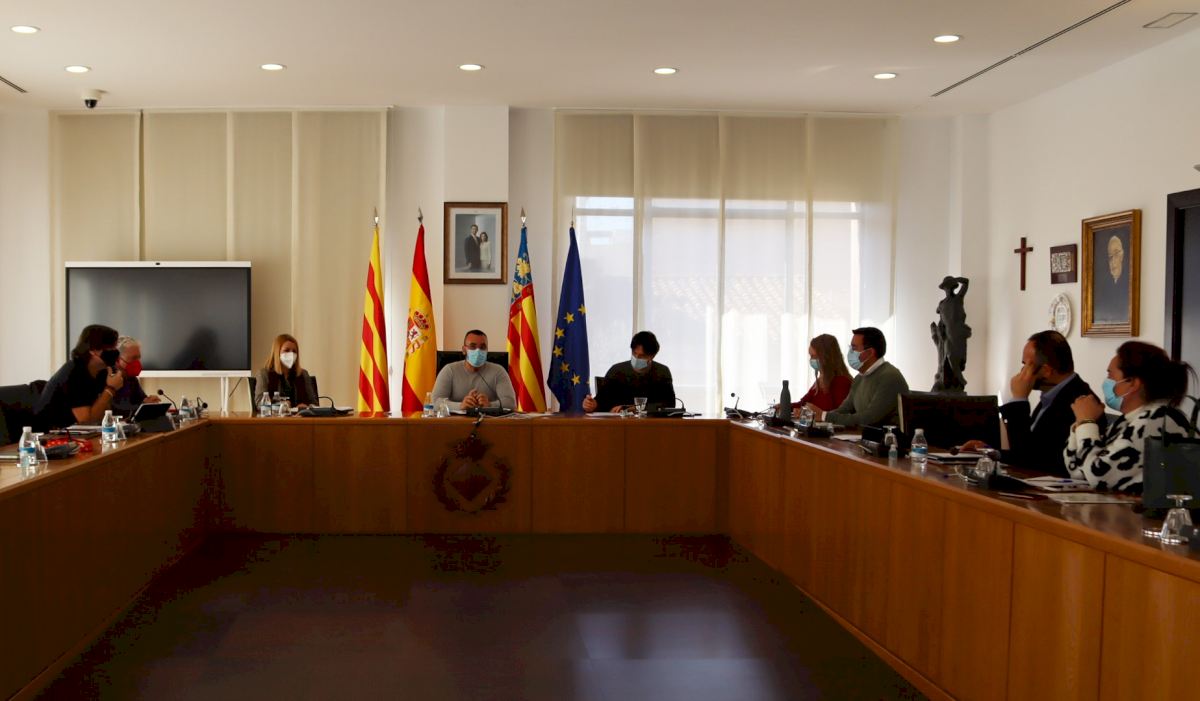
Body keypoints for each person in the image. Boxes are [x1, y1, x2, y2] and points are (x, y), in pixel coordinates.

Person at [962, 331, 1097, 476]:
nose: (1021, 371)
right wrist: (989, 451)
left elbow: (1030, 458)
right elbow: (1029, 447)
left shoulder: (1078, 401)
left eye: (1025, 364)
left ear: (1046, 371)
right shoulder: (1053, 395)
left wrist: (1019, 399)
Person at [1065, 341, 1193, 492]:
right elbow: (1078, 471)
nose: (1107, 381)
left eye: (1110, 375)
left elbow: (1098, 476)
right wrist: (1080, 423)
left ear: (1132, 383)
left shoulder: (1158, 419)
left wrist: (1087, 422)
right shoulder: (1128, 420)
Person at [806, 327, 908, 428]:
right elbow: (844, 410)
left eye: (854, 348)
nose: (850, 352)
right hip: (864, 436)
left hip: (888, 438)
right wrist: (819, 416)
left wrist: (824, 416)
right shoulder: (859, 378)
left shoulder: (889, 377)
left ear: (870, 352)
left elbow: (869, 418)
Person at [35, 324, 126, 428]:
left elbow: (103, 414)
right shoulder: (74, 373)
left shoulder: (102, 371)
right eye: (110, 348)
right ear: (92, 350)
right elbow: (85, 421)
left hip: (79, 431)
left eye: (114, 347)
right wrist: (110, 389)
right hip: (51, 432)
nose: (114, 352)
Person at [583, 331, 675, 413]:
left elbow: (669, 404)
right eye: (634, 353)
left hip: (650, 424)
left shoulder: (662, 372)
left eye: (642, 356)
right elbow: (601, 401)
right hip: (618, 423)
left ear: (652, 356)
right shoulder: (616, 371)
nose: (636, 358)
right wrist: (592, 405)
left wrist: (637, 408)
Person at [432, 329, 517, 411]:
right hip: (456, 420)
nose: (478, 351)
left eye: (482, 347)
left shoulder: (498, 371)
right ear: (464, 350)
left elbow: (511, 403)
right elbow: (435, 402)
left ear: (487, 350)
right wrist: (460, 406)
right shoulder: (449, 370)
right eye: (472, 346)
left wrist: (490, 405)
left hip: (488, 420)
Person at [791, 334, 852, 414]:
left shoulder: (842, 382)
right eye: (810, 356)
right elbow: (803, 403)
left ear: (826, 357)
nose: (811, 360)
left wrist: (812, 412)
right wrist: (785, 406)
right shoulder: (820, 381)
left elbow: (837, 414)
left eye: (814, 356)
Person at [253, 334, 318, 408]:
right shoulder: (264, 374)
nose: (291, 354)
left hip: (300, 415)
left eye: (294, 351)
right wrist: (280, 406)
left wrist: (307, 406)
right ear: (277, 352)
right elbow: (260, 403)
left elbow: (314, 403)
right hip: (276, 415)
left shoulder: (303, 374)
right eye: (286, 350)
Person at [111, 335, 161, 415]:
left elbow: (141, 400)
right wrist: (143, 405)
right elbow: (115, 411)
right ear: (117, 360)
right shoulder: (108, 379)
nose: (137, 362)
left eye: (138, 358)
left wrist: (148, 402)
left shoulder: (132, 379)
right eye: (133, 358)